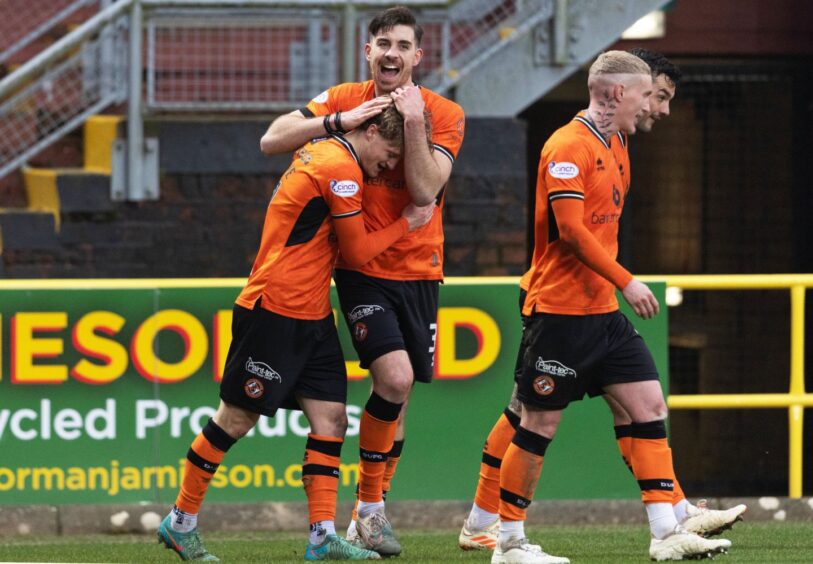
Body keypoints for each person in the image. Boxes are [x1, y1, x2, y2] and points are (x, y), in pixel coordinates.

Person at [459, 49, 746, 557]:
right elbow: (570, 232)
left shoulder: (616, 142)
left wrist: (612, 288)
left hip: (601, 313)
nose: (654, 107)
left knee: (648, 405)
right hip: (561, 312)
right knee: (535, 420)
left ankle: (668, 530)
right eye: (647, 94)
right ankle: (507, 540)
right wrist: (626, 281)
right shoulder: (567, 146)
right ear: (618, 93)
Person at [156, 106, 434, 562]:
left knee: (332, 421)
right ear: (367, 132)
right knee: (236, 418)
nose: (389, 166)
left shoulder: (321, 151)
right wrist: (408, 222)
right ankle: (180, 521)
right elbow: (359, 252)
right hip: (275, 308)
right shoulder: (341, 170)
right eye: (389, 154)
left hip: (312, 313)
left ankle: (322, 535)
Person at [261, 5, 465, 557]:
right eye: (383, 43)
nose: (391, 53)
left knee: (397, 401)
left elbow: (425, 190)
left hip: (420, 269)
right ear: (367, 50)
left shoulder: (445, 114)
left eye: (402, 45)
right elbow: (273, 138)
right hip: (361, 267)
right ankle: (370, 512)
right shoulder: (343, 98)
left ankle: (367, 511)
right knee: (394, 380)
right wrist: (339, 122)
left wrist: (415, 120)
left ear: (418, 56)